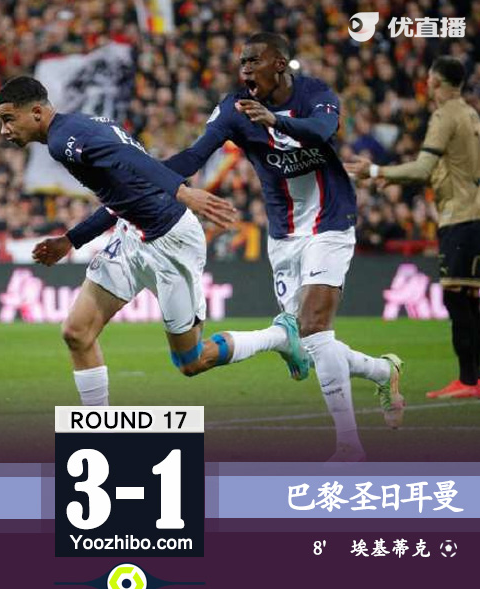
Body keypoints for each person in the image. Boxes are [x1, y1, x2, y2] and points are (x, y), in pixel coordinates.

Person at [60, 33, 404, 461]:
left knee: (315, 327)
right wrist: (150, 179)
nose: (245, 70)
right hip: (283, 232)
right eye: (241, 62)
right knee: (312, 340)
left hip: (331, 219)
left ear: (279, 63)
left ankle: (349, 447)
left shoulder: (316, 94)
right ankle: (382, 370)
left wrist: (274, 121)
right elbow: (194, 156)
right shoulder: (234, 108)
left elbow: (322, 131)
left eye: (253, 61)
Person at [0, 76, 310, 408]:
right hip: (131, 235)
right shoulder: (82, 127)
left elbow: (128, 158)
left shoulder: (64, 140)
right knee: (76, 331)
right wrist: (72, 240)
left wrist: (182, 192)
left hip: (171, 240)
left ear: (37, 112)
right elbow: (126, 193)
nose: (4, 130)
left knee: (191, 361)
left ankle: (279, 337)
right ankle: (96, 429)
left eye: (8, 119)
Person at [346, 56, 480, 400]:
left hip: (459, 218)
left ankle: (469, 380)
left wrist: (376, 171)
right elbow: (447, 171)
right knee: (471, 299)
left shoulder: (444, 115)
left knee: (457, 298)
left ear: (435, 83)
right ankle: (474, 378)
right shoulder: (470, 114)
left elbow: (422, 168)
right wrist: (393, 179)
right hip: (473, 214)